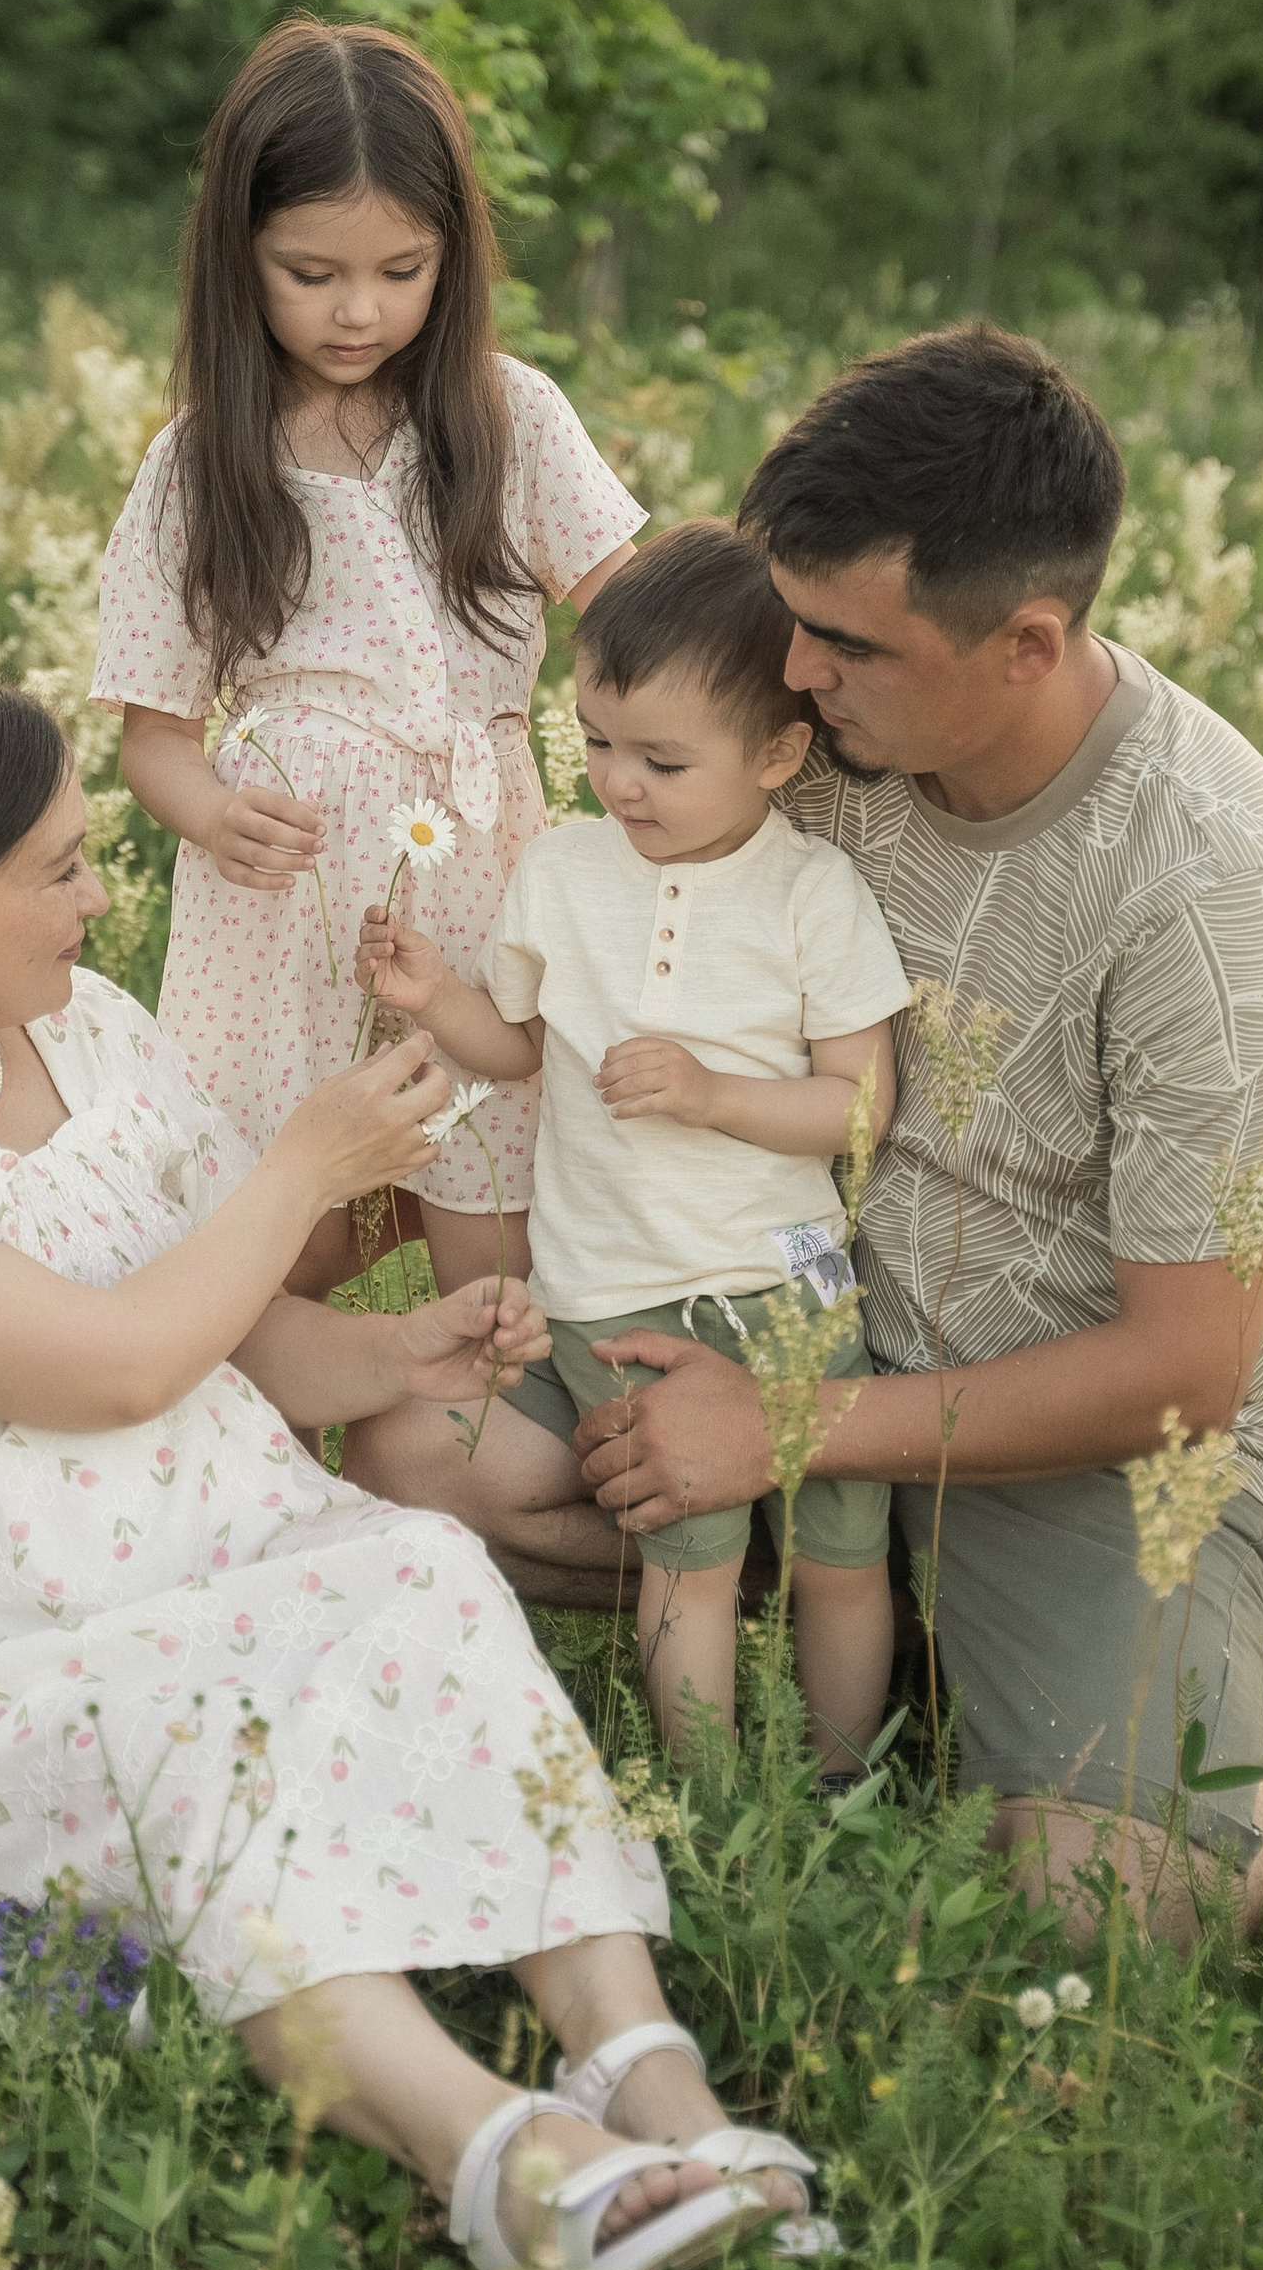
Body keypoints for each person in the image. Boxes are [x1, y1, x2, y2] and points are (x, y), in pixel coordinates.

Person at [0, 659, 820, 2270]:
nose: (99, 896)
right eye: (59, 867)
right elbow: (113, 1361)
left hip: (212, 1528)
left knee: (426, 1579)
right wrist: (310, 1163)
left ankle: (654, 2083)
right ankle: (499, 2154)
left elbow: (226, 1323)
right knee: (211, 1729)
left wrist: (400, 1354)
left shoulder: (88, 1039)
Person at [356, 326, 1263, 1948]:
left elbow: (1186, 1373)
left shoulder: (1217, 905)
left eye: (842, 644)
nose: (794, 678)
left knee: (1122, 1914)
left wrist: (789, 1429)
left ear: (1026, 642)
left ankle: (1187, 1685)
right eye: (787, 621)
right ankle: (873, 1619)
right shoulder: (813, 749)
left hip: (1082, 1446)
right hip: (760, 1312)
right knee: (416, 1457)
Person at [93, 17, 644, 1304]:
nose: (360, 310)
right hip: (279, 915)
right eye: (310, 273)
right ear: (239, 258)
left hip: (475, 880)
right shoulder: (197, 463)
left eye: (403, 270)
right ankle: (269, 1470)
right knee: (288, 1245)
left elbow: (639, 612)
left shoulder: (509, 418)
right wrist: (217, 815)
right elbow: (154, 736)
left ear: (453, 256)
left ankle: (469, 1451)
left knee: (490, 1230)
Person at [356, 525, 907, 1774]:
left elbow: (861, 1105)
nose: (619, 782)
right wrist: (435, 995)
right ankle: (713, 1813)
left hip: (787, 1282)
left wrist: (715, 1095)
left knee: (840, 1554)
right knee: (686, 1558)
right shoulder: (559, 873)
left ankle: (840, 1784)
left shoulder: (811, 893)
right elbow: (515, 1049)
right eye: (596, 742)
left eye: (662, 758)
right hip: (617, 1289)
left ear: (777, 752)